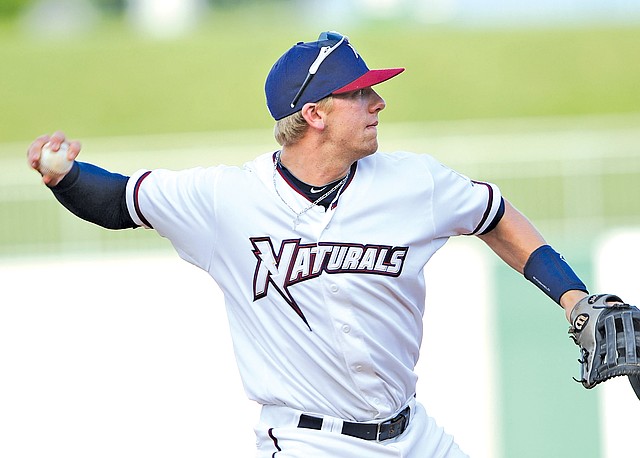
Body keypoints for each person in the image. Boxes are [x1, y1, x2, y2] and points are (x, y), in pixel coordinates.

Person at [27, 31, 591, 457]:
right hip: (308, 443)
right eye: (360, 93)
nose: (378, 102)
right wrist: (65, 178)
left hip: (415, 434)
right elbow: (120, 200)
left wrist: (575, 299)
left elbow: (496, 216)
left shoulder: (414, 182)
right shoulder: (227, 199)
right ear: (314, 114)